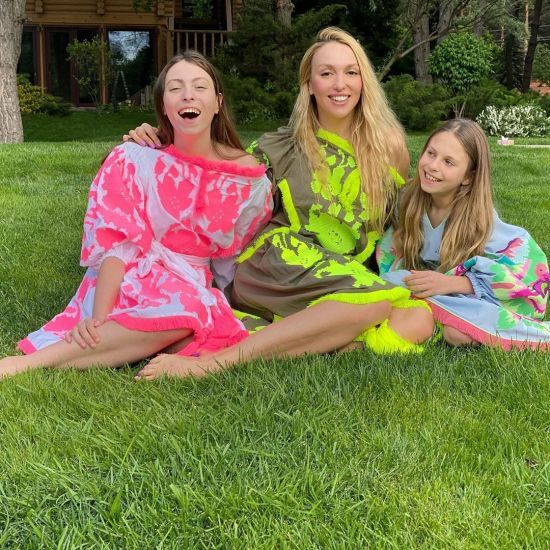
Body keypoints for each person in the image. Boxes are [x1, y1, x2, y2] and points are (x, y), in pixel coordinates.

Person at [125, 27, 434, 380]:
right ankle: (211, 365)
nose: (340, 84)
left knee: (417, 318)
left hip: (340, 276)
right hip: (277, 263)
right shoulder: (280, 146)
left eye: (351, 72)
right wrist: (159, 140)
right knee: (376, 302)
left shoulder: (389, 146)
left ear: (364, 80)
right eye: (326, 73)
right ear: (309, 84)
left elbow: (394, 220)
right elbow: (216, 171)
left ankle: (317, 336)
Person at [0, 51, 273, 378]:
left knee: (196, 311)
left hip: (191, 283)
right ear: (163, 106)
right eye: (175, 88)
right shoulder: (135, 158)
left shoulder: (248, 179)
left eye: (200, 87)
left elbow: (232, 259)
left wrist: (233, 307)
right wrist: (98, 316)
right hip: (131, 272)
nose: (188, 95)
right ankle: (26, 364)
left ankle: (144, 337)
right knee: (190, 309)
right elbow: (119, 244)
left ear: (218, 102)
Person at [376, 118, 549, 349]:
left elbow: (525, 277)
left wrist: (452, 283)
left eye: (448, 162)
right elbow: (392, 252)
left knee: (456, 334)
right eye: (431, 153)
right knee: (393, 289)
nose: (433, 166)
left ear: (468, 176)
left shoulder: (478, 219)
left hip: (480, 290)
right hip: (437, 286)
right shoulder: (408, 200)